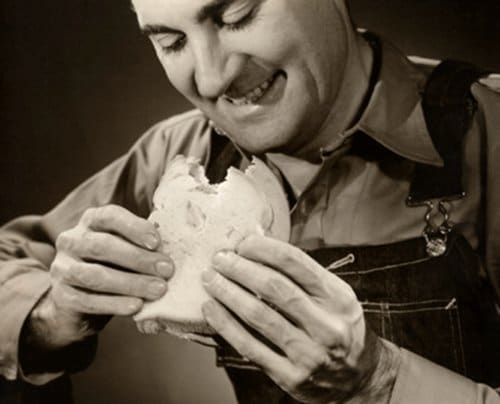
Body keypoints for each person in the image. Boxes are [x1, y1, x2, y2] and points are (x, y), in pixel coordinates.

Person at [1, 0, 499, 403]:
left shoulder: (489, 130)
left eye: (236, 16)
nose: (211, 79)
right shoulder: (177, 155)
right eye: (170, 42)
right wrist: (49, 316)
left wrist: (381, 381)